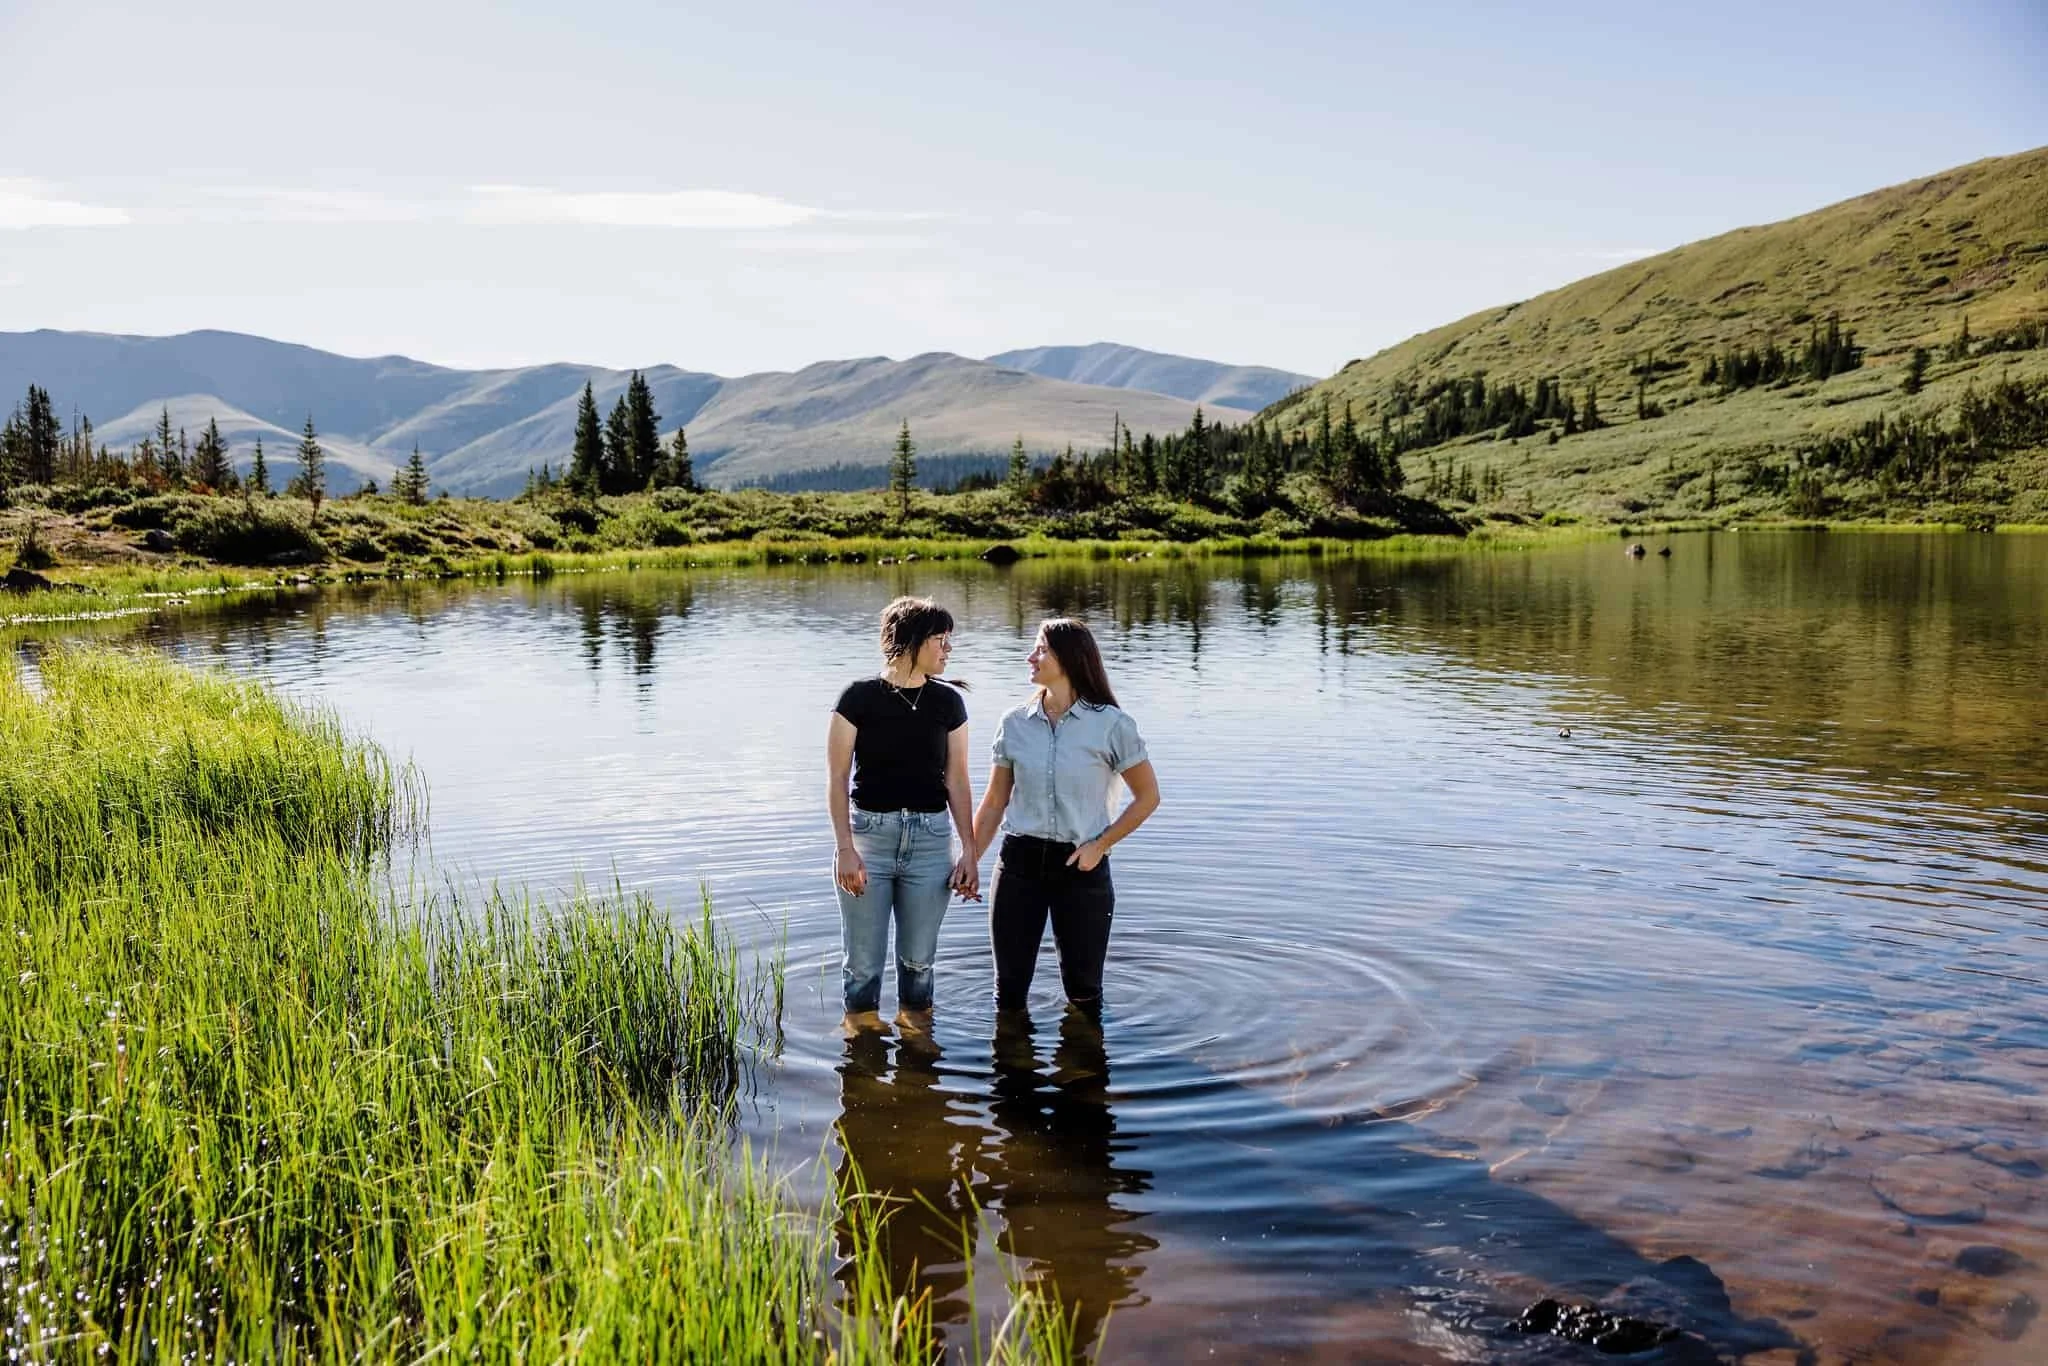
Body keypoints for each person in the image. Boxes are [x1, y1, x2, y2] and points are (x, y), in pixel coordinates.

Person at [972, 618, 1159, 1019]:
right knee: (1009, 995)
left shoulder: (1112, 724)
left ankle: (1085, 1078)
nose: (1030, 656)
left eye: (1041, 649)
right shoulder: (1014, 723)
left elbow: (1148, 797)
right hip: (1018, 865)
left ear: (1070, 658)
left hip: (1083, 866)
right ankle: (1010, 1078)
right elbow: (993, 803)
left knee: (1084, 993)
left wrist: (1101, 844)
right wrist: (969, 859)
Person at [828, 596, 979, 1035]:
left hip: (931, 842)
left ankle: (916, 1054)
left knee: (919, 963)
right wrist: (845, 849)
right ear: (910, 641)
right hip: (868, 840)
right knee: (862, 965)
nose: (948, 649)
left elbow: (958, 781)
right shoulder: (857, 699)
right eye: (940, 639)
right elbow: (837, 778)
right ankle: (861, 1043)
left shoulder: (948, 704)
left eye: (950, 640)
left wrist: (969, 851)